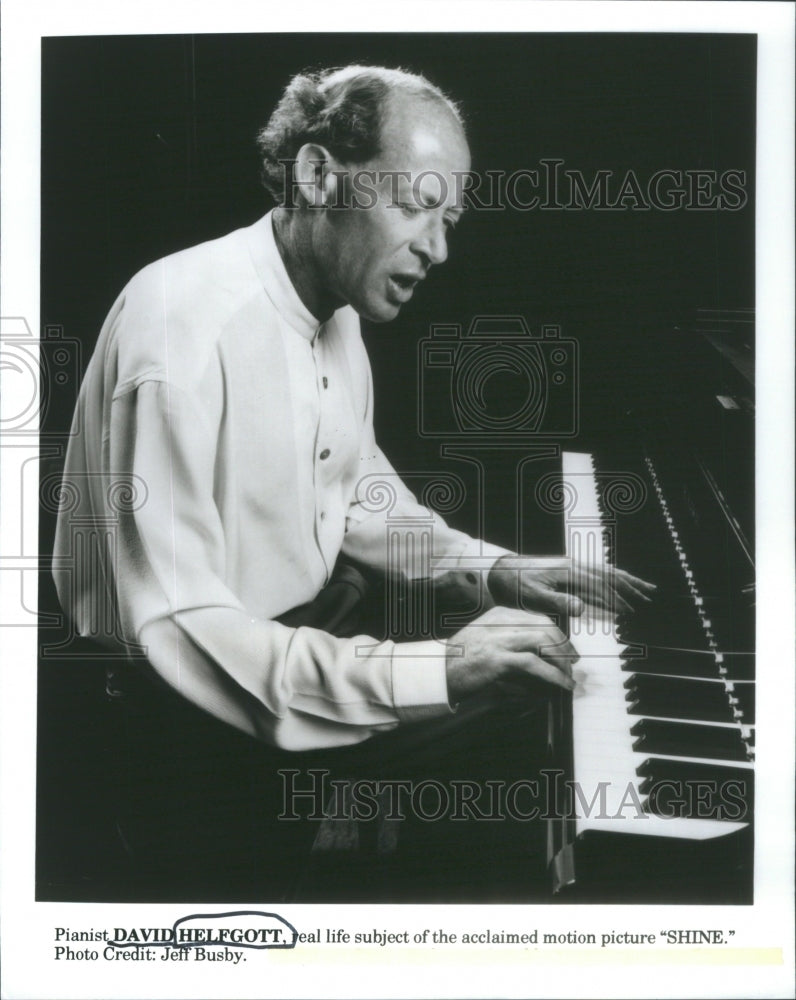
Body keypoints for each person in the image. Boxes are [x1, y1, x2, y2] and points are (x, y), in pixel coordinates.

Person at [52, 65, 653, 898]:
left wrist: (490, 569)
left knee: (544, 688)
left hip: (290, 651)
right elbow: (181, 633)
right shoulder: (179, 328)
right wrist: (436, 668)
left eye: (451, 219)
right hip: (175, 727)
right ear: (317, 174)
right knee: (517, 738)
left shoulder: (329, 308)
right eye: (417, 206)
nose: (438, 248)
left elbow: (360, 493)